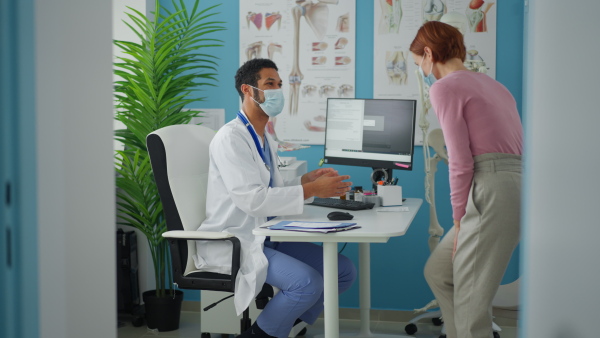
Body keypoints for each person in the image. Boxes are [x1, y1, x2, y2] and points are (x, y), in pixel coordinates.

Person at [194, 58, 357, 338]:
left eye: (280, 85)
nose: (278, 90)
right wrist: (312, 191)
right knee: (308, 283)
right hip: (237, 239)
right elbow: (252, 200)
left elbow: (269, 188)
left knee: (342, 271)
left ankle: (282, 326)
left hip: (267, 234)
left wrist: (304, 181)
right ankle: (261, 334)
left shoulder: (263, 136)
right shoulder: (230, 138)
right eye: (270, 84)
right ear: (248, 90)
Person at [409, 21, 523, 338]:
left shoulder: (444, 88)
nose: (424, 72)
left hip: (491, 187)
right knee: (439, 273)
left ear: (429, 54)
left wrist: (458, 219)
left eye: (420, 64)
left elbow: (459, 161)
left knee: (473, 301)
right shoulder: (493, 85)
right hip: (512, 183)